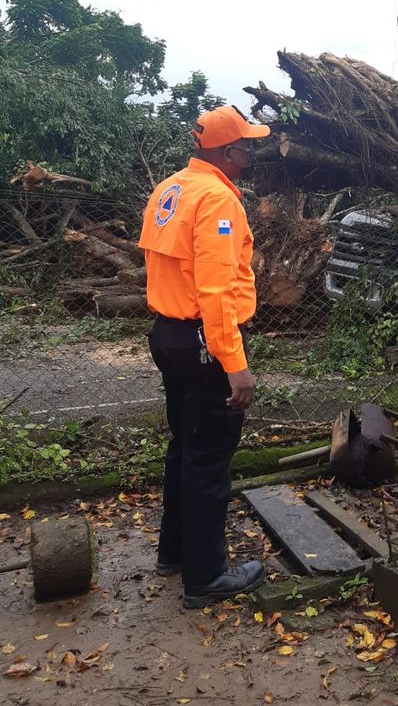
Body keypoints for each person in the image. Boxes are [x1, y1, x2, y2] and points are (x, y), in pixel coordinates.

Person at [138, 105, 270, 608]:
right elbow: (215, 290)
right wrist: (234, 364)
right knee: (209, 457)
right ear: (224, 150)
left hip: (168, 334)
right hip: (202, 342)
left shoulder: (172, 188)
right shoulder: (217, 200)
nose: (251, 152)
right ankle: (207, 577)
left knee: (185, 445)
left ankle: (175, 552)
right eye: (247, 144)